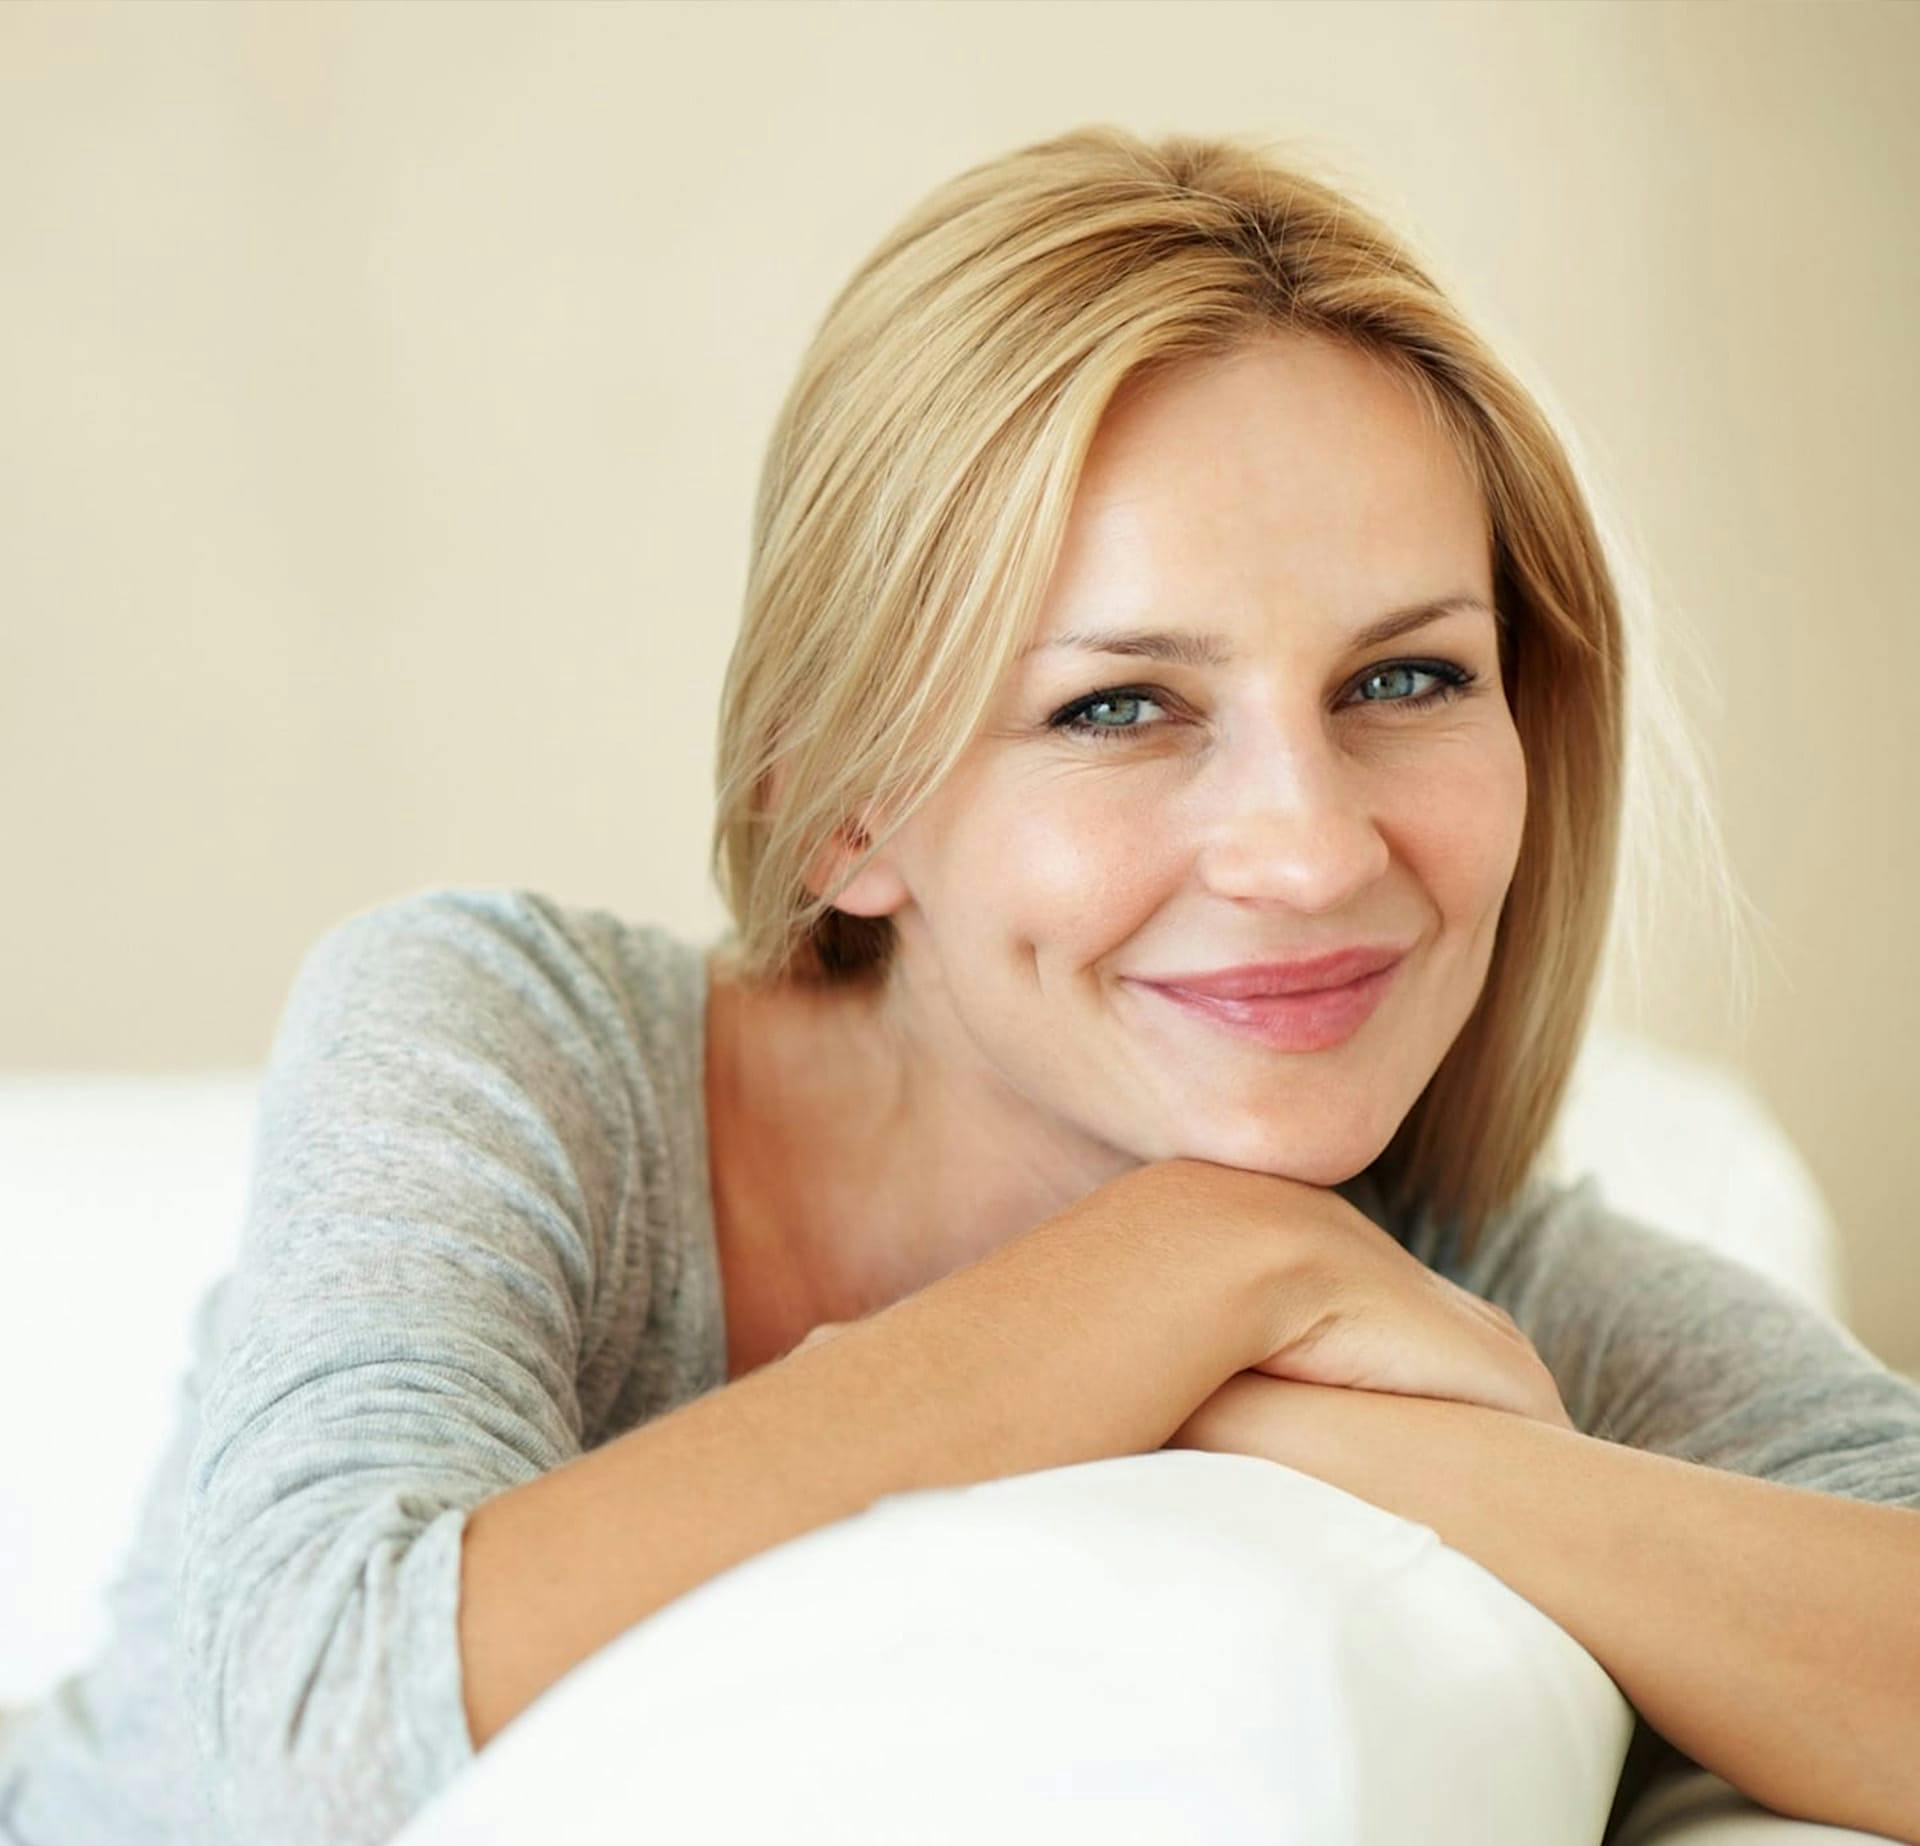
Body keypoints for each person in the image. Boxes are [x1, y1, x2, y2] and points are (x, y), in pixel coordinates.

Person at [4, 125, 1918, 1846]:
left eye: (1405, 678)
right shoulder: (506, 1045)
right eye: (1120, 706)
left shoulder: (1447, 1280)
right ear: (842, 813)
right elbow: (313, 1759)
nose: (1314, 849)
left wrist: (1291, 1414)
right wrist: (1175, 1275)